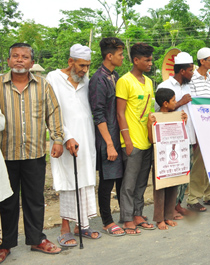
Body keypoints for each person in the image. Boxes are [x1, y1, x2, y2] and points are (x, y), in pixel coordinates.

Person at [0, 43, 65, 257]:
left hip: (34, 154)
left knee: (34, 199)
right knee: (7, 202)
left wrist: (57, 139)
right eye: (15, 56)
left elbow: (53, 112)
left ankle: (37, 239)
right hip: (5, 154)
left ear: (32, 62)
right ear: (8, 60)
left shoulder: (43, 85)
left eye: (25, 57)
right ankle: (5, 244)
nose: (20, 60)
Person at [47, 44, 100, 247]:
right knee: (69, 181)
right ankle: (65, 228)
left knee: (85, 179)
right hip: (63, 138)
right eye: (81, 65)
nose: (85, 70)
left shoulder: (86, 81)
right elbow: (53, 110)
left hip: (86, 138)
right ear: (70, 62)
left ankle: (82, 226)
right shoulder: (53, 77)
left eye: (87, 66)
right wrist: (66, 136)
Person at [116, 42, 156, 234]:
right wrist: (128, 141)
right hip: (132, 142)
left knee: (141, 182)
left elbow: (150, 112)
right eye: (147, 60)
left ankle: (138, 214)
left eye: (151, 59)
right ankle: (127, 218)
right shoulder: (124, 81)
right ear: (136, 60)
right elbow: (120, 114)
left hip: (147, 140)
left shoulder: (148, 82)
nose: (150, 63)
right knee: (129, 184)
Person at [155, 52, 201, 214]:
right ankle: (169, 207)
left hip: (188, 135)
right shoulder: (164, 86)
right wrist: (180, 103)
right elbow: (158, 112)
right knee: (173, 173)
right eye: (190, 70)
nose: (192, 73)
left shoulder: (190, 86)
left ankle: (177, 204)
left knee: (185, 172)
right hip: (172, 140)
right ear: (182, 71)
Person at [89, 37, 126, 236]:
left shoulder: (116, 76)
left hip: (117, 137)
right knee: (107, 180)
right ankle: (106, 221)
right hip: (107, 139)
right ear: (109, 56)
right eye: (120, 54)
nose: (122, 57)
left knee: (120, 178)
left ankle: (124, 216)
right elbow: (98, 114)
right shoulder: (98, 79)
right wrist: (109, 144)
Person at [186, 47, 210, 207]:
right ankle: (193, 198)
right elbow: (194, 102)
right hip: (199, 126)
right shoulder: (192, 78)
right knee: (200, 163)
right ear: (202, 61)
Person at [148, 89, 188, 230]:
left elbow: (182, 135)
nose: (176, 103)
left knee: (173, 185)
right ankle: (159, 219)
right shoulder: (155, 117)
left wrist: (184, 121)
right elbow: (152, 139)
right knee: (160, 188)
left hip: (174, 157)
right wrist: (149, 124)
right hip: (161, 159)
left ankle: (168, 216)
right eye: (173, 100)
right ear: (165, 103)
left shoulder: (176, 116)